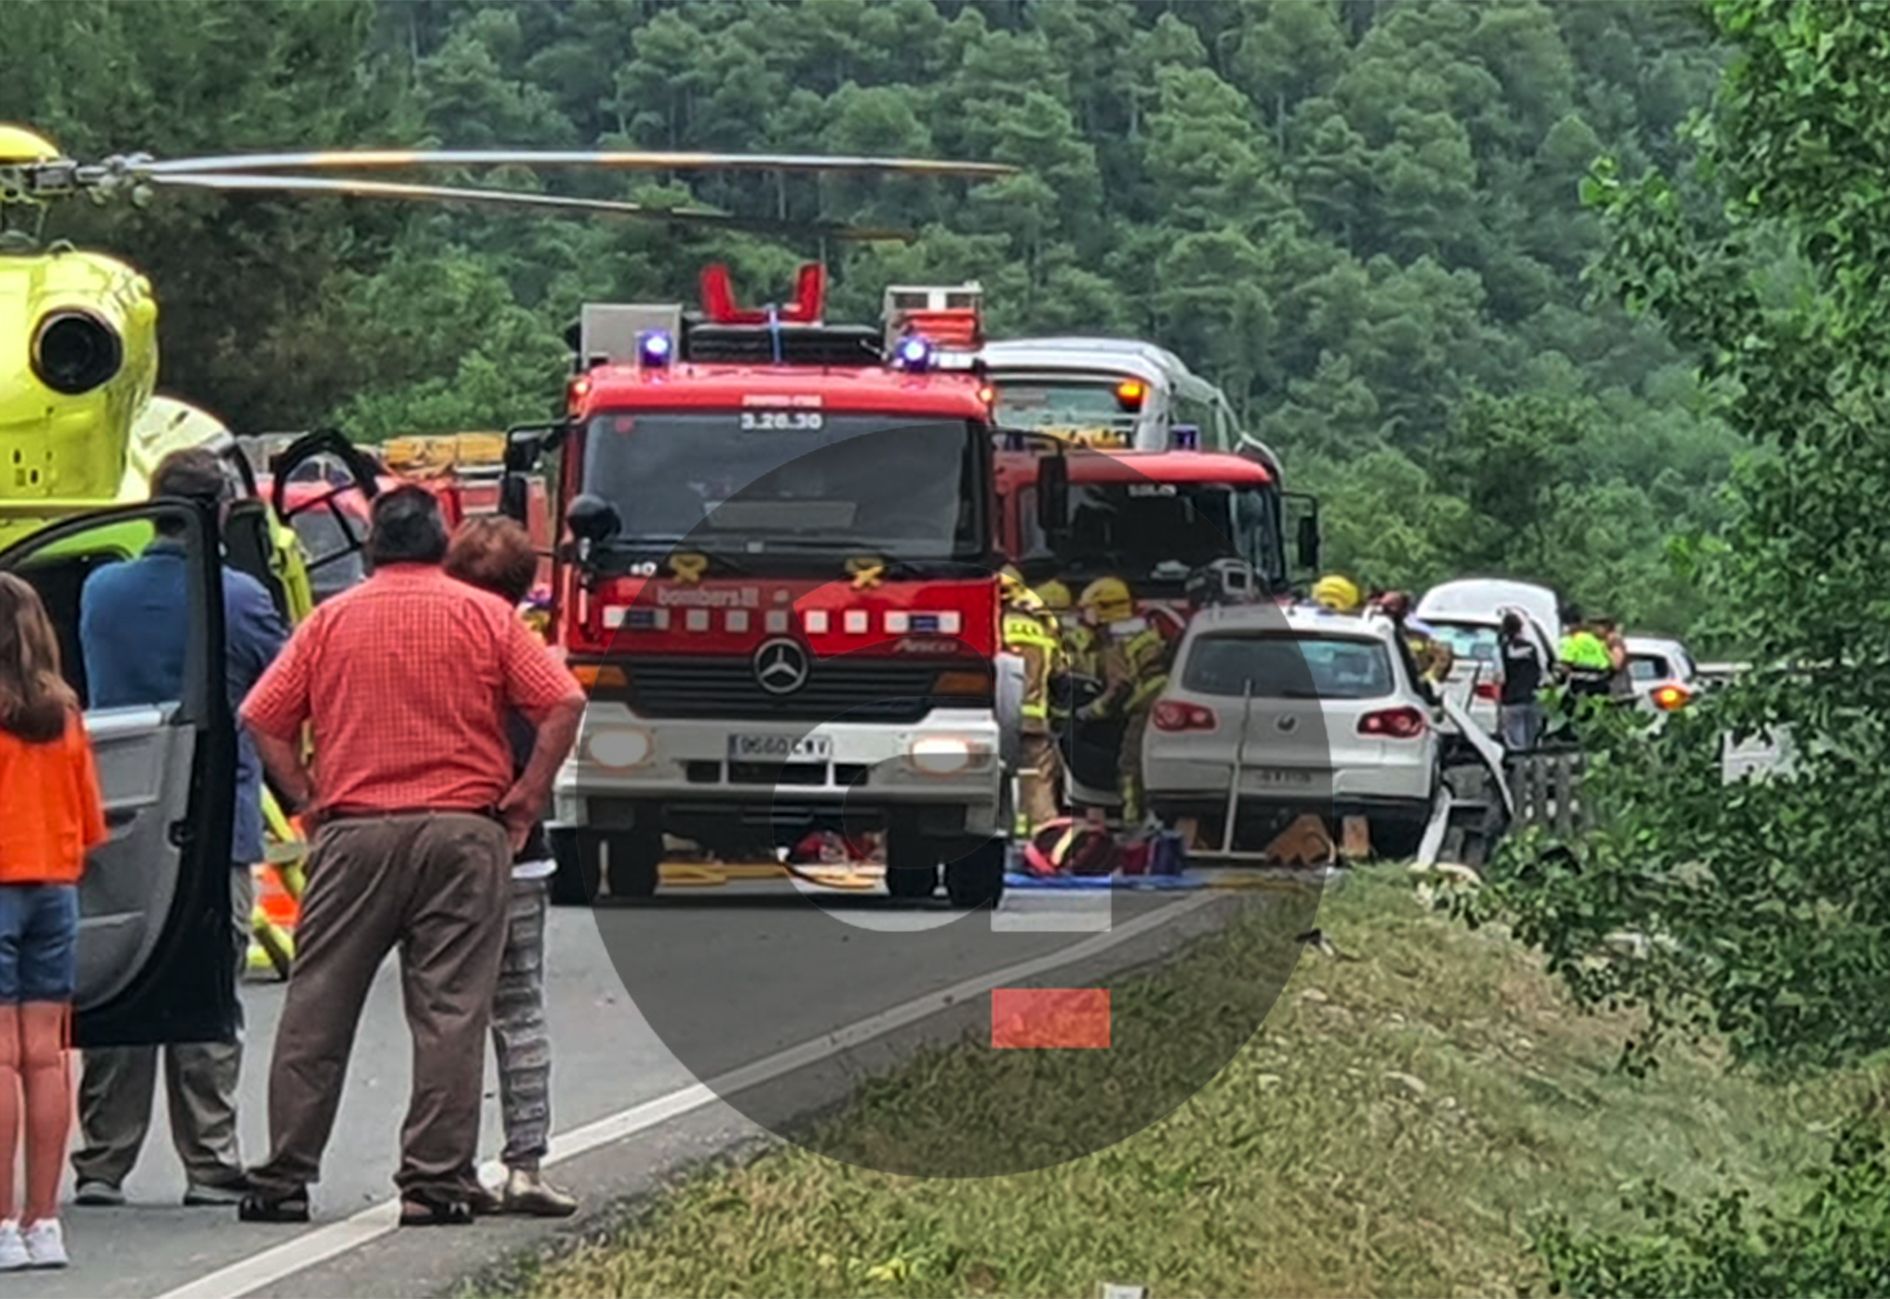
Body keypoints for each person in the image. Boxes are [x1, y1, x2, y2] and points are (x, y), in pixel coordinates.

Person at [237, 487, 584, 1226]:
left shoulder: (331, 619)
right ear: (439, 543)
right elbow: (563, 701)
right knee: (451, 1010)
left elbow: (262, 714)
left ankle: (286, 1174)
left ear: (371, 550)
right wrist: (524, 796)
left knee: (318, 1003)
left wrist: (305, 793)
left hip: (356, 829)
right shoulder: (487, 616)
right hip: (464, 828)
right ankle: (433, 1181)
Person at [72, 449, 289, 1208]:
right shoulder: (242, 599)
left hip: (119, 810)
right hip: (218, 817)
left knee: (119, 976)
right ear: (223, 511)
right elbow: (284, 687)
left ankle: (103, 1159)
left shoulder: (103, 589)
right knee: (208, 986)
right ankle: (210, 1157)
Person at [442, 518, 576, 1219]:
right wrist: (527, 799)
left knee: (447, 1012)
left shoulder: (440, 644)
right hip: (520, 854)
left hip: (448, 845)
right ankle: (525, 1162)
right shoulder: (526, 651)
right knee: (520, 1009)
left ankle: (447, 1165)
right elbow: (560, 707)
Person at [0, 574, 106, 1270]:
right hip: (54, 891)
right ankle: (45, 1219)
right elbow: (92, 821)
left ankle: (1, 1221)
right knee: (46, 1055)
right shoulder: (63, 715)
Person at [1076, 576, 1167, 824]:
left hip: (1143, 708)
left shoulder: (1115, 642)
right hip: (1163, 707)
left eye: (1089, 610)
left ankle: (1133, 826)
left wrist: (1091, 711)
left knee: (1130, 769)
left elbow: (1121, 686)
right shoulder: (1143, 631)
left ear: (1105, 609)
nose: (1085, 616)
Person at [999, 567, 1063, 835]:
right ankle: (1041, 838)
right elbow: (1059, 671)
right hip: (1036, 718)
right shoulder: (1042, 628)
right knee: (1038, 779)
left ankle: (1007, 832)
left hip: (1000, 716)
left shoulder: (994, 626)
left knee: (998, 778)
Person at [1496, 612, 1545, 751]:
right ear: (1521, 628)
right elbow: (1542, 670)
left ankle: (1520, 770)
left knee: (1516, 744)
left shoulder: (1501, 650)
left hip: (1511, 700)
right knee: (1532, 741)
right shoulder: (1532, 647)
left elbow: (1500, 677)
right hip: (1532, 698)